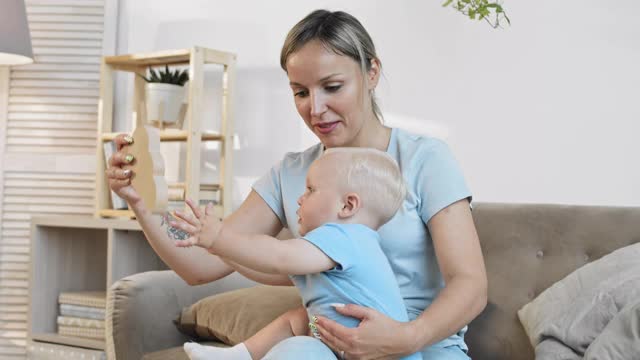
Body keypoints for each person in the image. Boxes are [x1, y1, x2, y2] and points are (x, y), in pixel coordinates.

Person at [107, 9, 487, 360]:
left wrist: (406, 337)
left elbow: (469, 283)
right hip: (332, 343)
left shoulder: (424, 158)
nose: (315, 109)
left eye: (332, 87)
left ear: (371, 73)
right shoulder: (292, 175)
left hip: (423, 347)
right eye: (301, 92)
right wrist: (140, 204)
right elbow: (201, 265)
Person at [173, 148, 422, 360]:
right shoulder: (326, 251)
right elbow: (266, 270)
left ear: (347, 206)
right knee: (298, 321)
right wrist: (222, 251)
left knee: (302, 336)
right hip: (341, 342)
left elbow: (278, 257)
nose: (300, 199)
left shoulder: (345, 237)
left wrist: (221, 237)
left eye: (311, 190)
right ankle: (240, 355)